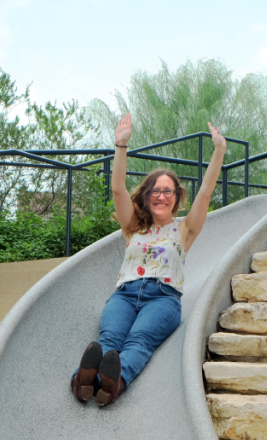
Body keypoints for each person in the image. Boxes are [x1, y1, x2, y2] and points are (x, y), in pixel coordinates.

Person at [70, 113, 227, 407]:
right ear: (146, 196)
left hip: (163, 299)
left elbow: (205, 193)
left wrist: (219, 150)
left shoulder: (185, 229)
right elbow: (117, 189)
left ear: (176, 197)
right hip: (125, 294)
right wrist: (121, 146)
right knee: (110, 339)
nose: (161, 195)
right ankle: (84, 380)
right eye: (156, 190)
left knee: (138, 341)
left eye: (168, 190)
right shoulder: (133, 226)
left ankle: (113, 384)